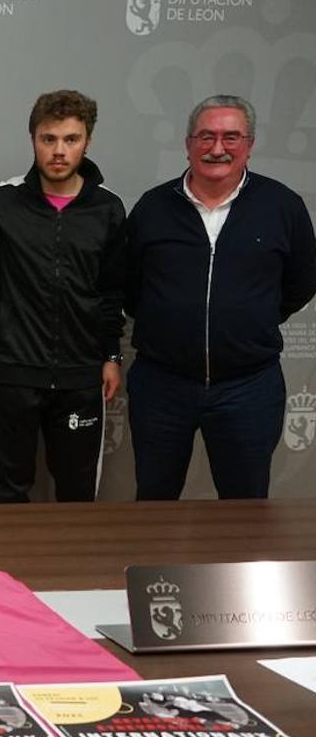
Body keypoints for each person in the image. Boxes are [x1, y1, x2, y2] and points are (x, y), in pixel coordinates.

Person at [125, 95, 316, 499]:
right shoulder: (153, 207)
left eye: (231, 137)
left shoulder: (282, 206)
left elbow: (301, 283)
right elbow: (128, 286)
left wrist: (251, 317)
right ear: (188, 143)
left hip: (248, 385)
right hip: (163, 384)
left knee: (245, 507)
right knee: (154, 501)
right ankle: (155, 564)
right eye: (206, 136)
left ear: (249, 143)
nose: (217, 148)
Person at [0, 90, 126, 502]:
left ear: (87, 141)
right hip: (13, 372)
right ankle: (3, 567)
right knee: (7, 493)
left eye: (71, 139)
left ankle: (75, 569)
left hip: (82, 375)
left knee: (78, 495)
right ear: (33, 139)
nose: (59, 151)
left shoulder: (109, 209)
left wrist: (110, 356)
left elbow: (113, 291)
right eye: (48, 139)